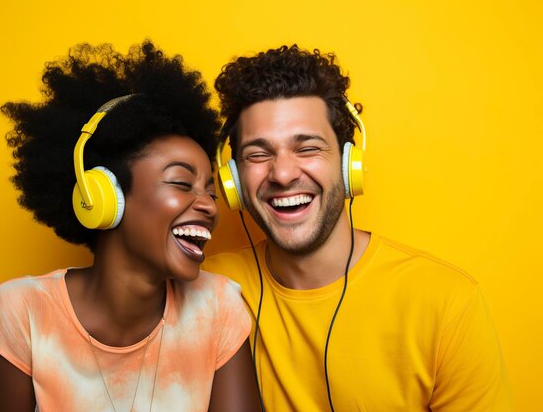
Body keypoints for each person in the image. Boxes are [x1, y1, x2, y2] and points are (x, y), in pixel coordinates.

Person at [203, 45, 512, 411]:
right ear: (234, 181)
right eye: (258, 154)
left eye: (307, 148)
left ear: (351, 165)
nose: (283, 174)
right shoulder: (210, 289)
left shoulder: (447, 305)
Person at [0, 41, 260, 412]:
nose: (207, 204)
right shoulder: (20, 313)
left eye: (210, 190)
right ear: (104, 196)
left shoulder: (218, 307)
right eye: (180, 183)